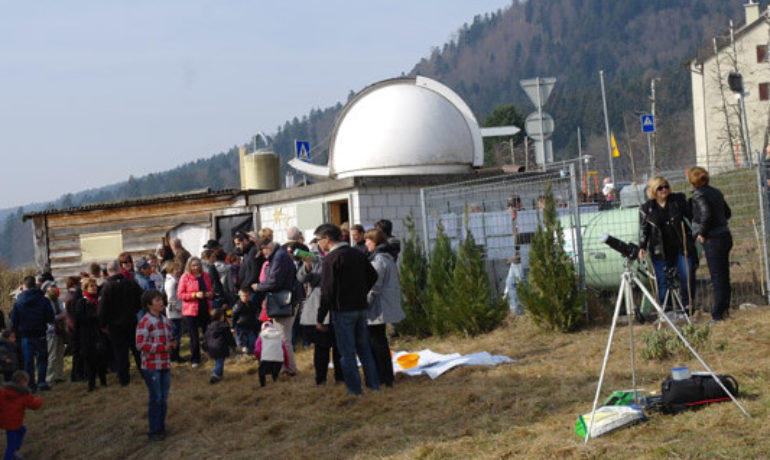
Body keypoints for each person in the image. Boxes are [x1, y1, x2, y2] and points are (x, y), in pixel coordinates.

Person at [315, 223, 379, 395]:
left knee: (347, 353)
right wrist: (360, 292)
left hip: (343, 310)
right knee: (364, 349)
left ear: (327, 239)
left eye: (318, 240)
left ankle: (355, 391)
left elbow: (327, 291)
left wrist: (320, 317)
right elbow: (373, 275)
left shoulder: (331, 258)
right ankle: (373, 386)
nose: (318, 244)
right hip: (360, 307)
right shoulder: (357, 253)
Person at [638, 176, 697, 311]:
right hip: (660, 250)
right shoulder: (646, 208)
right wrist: (642, 246)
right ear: (653, 191)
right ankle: (666, 308)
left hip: (681, 247)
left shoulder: (677, 201)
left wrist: (697, 232)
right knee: (663, 281)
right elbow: (643, 229)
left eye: (666, 187)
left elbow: (692, 216)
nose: (664, 190)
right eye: (660, 188)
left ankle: (688, 306)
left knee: (687, 275)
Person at [689, 166, 733, 322]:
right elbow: (728, 213)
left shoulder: (698, 195)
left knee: (717, 276)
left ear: (692, 181)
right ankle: (724, 308)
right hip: (725, 235)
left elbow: (706, 214)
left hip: (713, 239)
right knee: (724, 275)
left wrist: (702, 232)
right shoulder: (716, 192)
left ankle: (718, 313)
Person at [253, 238, 301, 375]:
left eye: (262, 252)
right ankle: (285, 367)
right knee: (282, 336)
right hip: (285, 300)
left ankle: (290, 369)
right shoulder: (280, 255)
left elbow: (274, 281)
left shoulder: (279, 257)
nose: (263, 256)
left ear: (267, 247)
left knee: (283, 337)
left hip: (284, 301)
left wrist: (259, 287)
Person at [364, 229, 405, 387]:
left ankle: (384, 377)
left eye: (368, 240)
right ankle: (385, 376)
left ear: (375, 242)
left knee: (377, 343)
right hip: (381, 305)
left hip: (377, 307)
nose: (366, 243)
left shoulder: (379, 260)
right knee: (379, 341)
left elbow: (374, 285)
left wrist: (364, 303)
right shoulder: (387, 258)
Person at [297, 247, 343, 385]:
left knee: (338, 347)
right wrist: (307, 265)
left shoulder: (338, 255)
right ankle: (321, 378)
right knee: (321, 347)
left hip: (337, 306)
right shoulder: (314, 258)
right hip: (318, 308)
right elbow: (301, 278)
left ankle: (340, 377)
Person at [135, 290, 175, 442]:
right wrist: (160, 347)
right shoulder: (145, 322)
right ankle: (154, 430)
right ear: (149, 304)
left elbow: (169, 336)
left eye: (161, 300)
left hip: (164, 363)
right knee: (156, 397)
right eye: (157, 300)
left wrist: (172, 343)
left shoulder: (164, 320)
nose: (161, 302)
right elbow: (140, 344)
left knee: (163, 398)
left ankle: (161, 426)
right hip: (151, 366)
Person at [98, 259, 143, 386]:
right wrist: (135, 310)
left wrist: (102, 324)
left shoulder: (107, 287)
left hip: (114, 324)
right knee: (136, 348)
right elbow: (141, 298)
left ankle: (124, 378)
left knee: (120, 351)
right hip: (131, 320)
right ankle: (144, 372)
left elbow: (102, 308)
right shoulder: (130, 283)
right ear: (119, 269)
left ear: (108, 272)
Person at [9, 276, 54, 392]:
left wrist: (14, 331)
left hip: (26, 335)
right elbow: (50, 317)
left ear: (24, 287)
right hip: (40, 333)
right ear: (35, 285)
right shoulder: (44, 300)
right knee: (42, 359)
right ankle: (42, 382)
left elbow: (13, 320)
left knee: (28, 361)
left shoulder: (19, 302)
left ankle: (30, 385)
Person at [177, 257, 213, 368]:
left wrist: (208, 294)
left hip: (204, 308)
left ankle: (209, 353)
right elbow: (180, 295)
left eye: (198, 265)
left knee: (208, 333)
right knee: (194, 336)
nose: (196, 267)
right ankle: (195, 359)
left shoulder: (205, 276)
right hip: (191, 310)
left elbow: (211, 290)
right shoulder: (185, 277)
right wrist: (194, 295)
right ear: (189, 266)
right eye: (193, 265)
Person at [74, 278, 109, 391]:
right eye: (91, 286)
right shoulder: (82, 302)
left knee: (102, 358)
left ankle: (103, 381)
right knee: (90, 360)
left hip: (100, 333)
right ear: (85, 288)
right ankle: (91, 384)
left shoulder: (99, 301)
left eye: (95, 286)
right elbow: (79, 319)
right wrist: (95, 317)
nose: (94, 288)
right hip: (87, 335)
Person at [0, 370, 43, 460]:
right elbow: (34, 405)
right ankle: (10, 455)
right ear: (23, 382)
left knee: (22, 429)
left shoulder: (4, 392)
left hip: (6, 421)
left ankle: (15, 449)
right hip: (14, 422)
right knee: (10, 446)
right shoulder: (24, 394)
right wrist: (40, 399)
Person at [42, 281, 67, 386]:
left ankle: (59, 375)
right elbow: (48, 317)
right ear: (47, 289)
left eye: (55, 286)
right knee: (52, 355)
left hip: (60, 329)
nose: (55, 288)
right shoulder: (45, 301)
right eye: (52, 287)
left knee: (60, 353)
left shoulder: (59, 300)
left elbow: (63, 311)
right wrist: (59, 316)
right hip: (51, 330)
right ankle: (49, 378)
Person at [254, 321, 289, 387]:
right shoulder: (279, 336)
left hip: (266, 359)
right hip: (278, 360)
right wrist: (286, 363)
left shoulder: (261, 337)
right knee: (275, 371)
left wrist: (259, 359)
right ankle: (275, 380)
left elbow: (257, 350)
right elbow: (284, 350)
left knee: (261, 372)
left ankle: (262, 385)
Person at [204, 308, 235, 384]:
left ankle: (219, 375)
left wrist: (205, 348)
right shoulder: (224, 327)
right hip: (221, 347)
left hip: (211, 347)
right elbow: (229, 337)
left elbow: (206, 337)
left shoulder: (209, 327)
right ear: (221, 317)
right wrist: (233, 345)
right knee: (220, 362)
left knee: (218, 361)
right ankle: (215, 374)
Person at [163, 261, 185, 363]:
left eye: (178, 269)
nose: (178, 271)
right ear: (171, 270)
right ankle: (173, 356)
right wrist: (178, 309)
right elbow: (171, 299)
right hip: (173, 313)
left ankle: (175, 354)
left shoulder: (175, 280)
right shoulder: (171, 282)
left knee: (177, 334)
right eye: (176, 269)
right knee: (175, 334)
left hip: (176, 311)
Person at [232, 288, 260, 355]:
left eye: (247, 296)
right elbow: (234, 316)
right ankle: (242, 354)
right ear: (240, 296)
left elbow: (254, 313)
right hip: (240, 326)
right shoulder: (238, 305)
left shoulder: (251, 304)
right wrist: (232, 327)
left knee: (252, 340)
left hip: (250, 326)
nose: (245, 297)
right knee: (242, 342)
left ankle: (251, 353)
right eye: (244, 296)